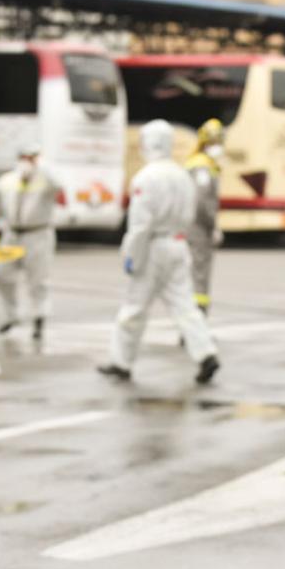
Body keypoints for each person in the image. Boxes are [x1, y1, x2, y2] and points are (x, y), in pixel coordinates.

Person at [97, 119, 220, 385]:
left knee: (134, 308)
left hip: (153, 247)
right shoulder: (182, 175)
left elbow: (140, 225)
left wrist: (131, 255)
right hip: (178, 243)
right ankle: (206, 353)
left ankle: (121, 362)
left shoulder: (146, 177)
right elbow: (190, 215)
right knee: (185, 305)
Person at [0, 141, 60, 342]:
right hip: (12, 235)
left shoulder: (45, 179)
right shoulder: (8, 180)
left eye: (31, 158)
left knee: (38, 280)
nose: (27, 162)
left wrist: (43, 167)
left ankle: (39, 319)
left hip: (38, 235)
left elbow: (58, 185)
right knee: (3, 275)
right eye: (24, 158)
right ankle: (11, 315)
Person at [184, 118, 225, 316]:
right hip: (198, 229)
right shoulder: (202, 167)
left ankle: (194, 327)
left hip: (193, 227)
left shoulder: (200, 163)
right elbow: (202, 201)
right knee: (199, 277)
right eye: (216, 142)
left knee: (194, 275)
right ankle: (196, 325)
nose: (218, 147)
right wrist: (213, 225)